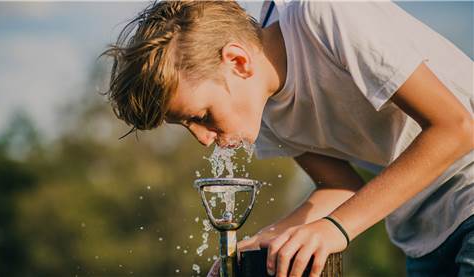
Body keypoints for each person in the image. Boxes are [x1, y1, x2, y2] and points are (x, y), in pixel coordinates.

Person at [102, 1, 474, 276]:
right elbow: (339, 187)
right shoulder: (264, 111)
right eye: (187, 126)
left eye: (201, 117)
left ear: (238, 62)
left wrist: (336, 229)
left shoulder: (323, 15)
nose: (202, 138)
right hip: (424, 236)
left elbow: (456, 127)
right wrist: (264, 240)